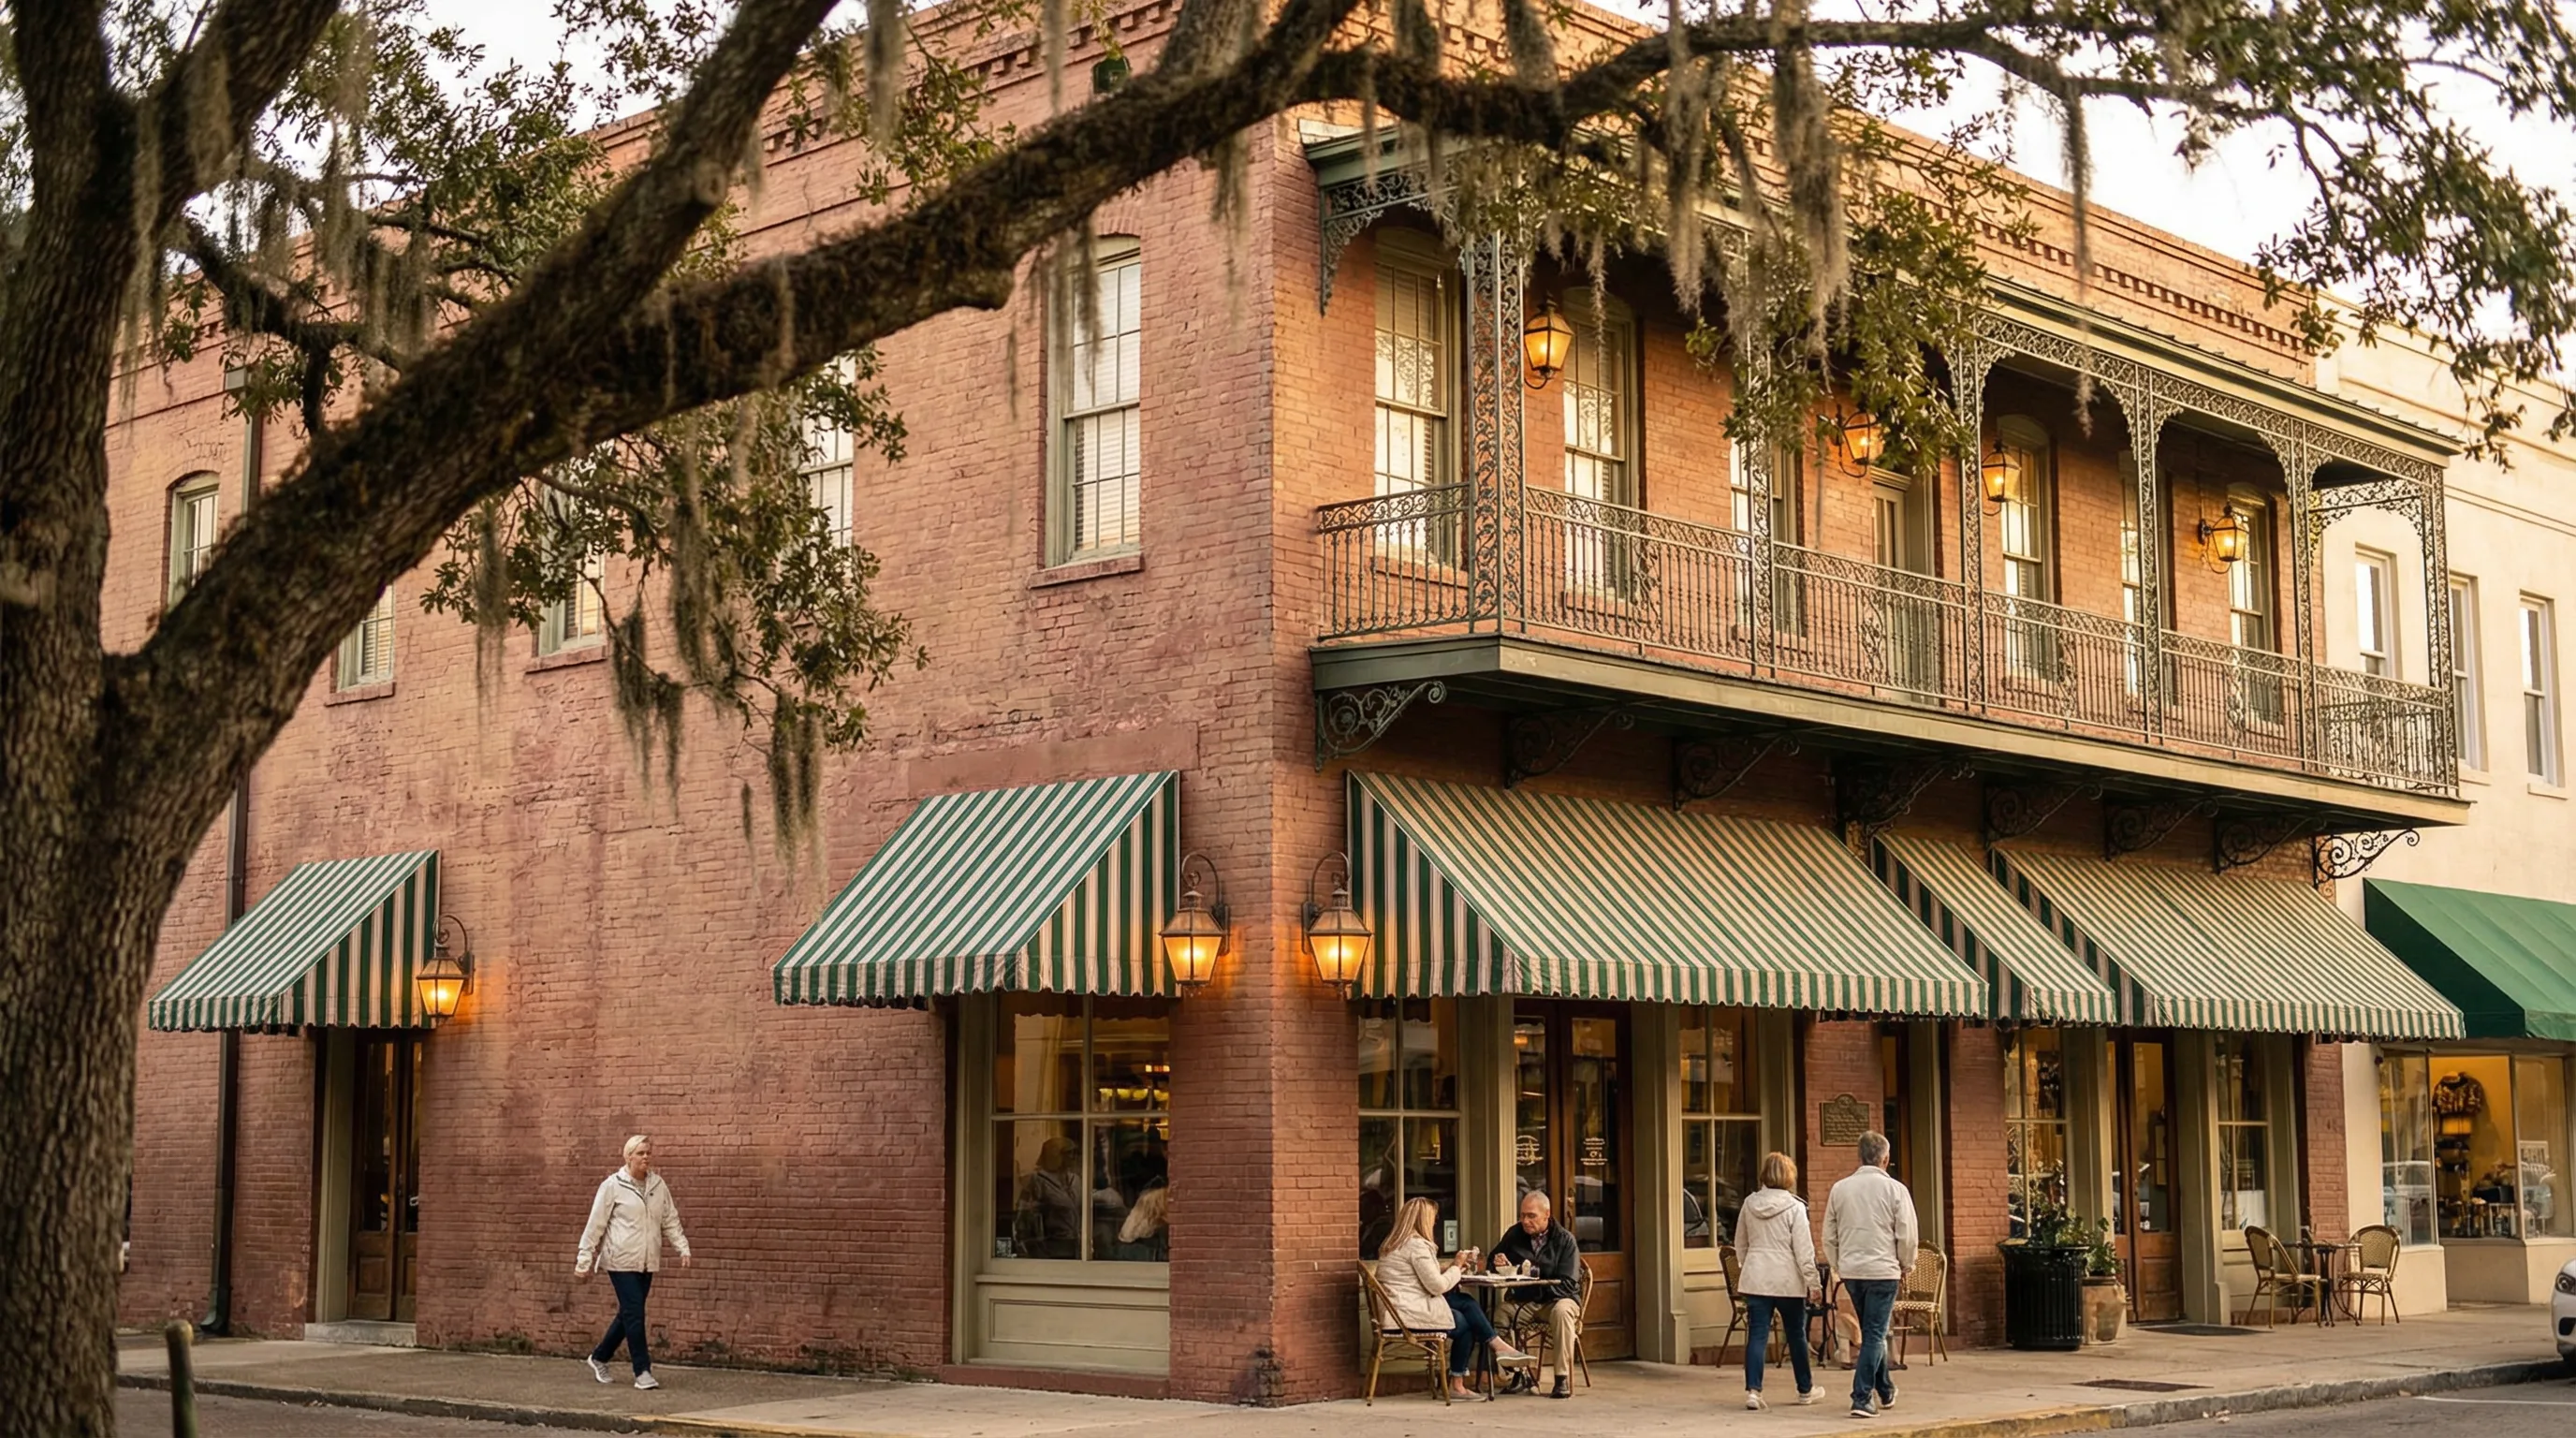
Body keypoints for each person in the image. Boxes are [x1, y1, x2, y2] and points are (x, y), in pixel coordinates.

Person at [1375, 1196, 1533, 1401]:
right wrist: (1457, 1267)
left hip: (1402, 1305)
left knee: (1465, 1305)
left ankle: (1495, 1350)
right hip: (1408, 1312)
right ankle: (1484, 1360)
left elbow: (1420, 1278)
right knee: (1465, 1319)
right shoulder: (1416, 1246)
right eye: (1433, 1217)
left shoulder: (1397, 1243)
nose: (1434, 1222)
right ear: (1423, 1219)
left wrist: (1450, 1268)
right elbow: (1437, 1286)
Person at [575, 1135, 693, 1391]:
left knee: (628, 1314)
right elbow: (595, 1225)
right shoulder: (612, 1186)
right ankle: (643, 1372)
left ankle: (599, 1357)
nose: (646, 1157)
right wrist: (584, 1258)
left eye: (648, 1152)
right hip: (620, 1259)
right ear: (628, 1156)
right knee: (635, 1314)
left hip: (647, 1261)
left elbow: (669, 1219)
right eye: (640, 1153)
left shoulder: (658, 1185)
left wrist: (682, 1246)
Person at [1822, 1131, 1918, 1419]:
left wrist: (1838, 1264)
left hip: (1853, 1271)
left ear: (1859, 1156)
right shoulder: (1896, 1190)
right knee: (1876, 1333)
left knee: (1872, 1330)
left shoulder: (1840, 1189)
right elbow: (1907, 1234)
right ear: (1885, 1158)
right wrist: (1906, 1263)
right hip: (1883, 1270)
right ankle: (1861, 1397)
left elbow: (1829, 1234)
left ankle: (1885, 1389)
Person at [1734, 1152, 1821, 1410]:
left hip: (1757, 1278)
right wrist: (1813, 1284)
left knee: (1758, 1335)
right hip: (1787, 1280)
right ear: (1789, 1176)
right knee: (1795, 1335)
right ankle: (1805, 1389)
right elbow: (1804, 1250)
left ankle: (1753, 1390)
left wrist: (1747, 1265)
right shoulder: (1795, 1207)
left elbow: (1740, 1242)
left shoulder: (1749, 1204)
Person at [1488, 1191, 1583, 1400]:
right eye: (1523, 1215)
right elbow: (1491, 1260)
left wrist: (1534, 1285)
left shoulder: (1565, 1240)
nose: (1525, 1221)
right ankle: (1518, 1374)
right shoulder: (1515, 1234)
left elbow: (1568, 1283)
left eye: (1531, 1216)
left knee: (1562, 1312)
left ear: (1546, 1214)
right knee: (1501, 1313)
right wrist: (1499, 1263)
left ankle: (1561, 1378)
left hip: (1558, 1299)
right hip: (1526, 1301)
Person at [1011, 1137, 1081, 1258]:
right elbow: (1023, 1218)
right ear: (1055, 1155)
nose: (1073, 1157)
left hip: (1077, 1248)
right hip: (1051, 1248)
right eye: (1068, 1153)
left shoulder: (1076, 1180)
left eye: (1075, 1153)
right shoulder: (1037, 1181)